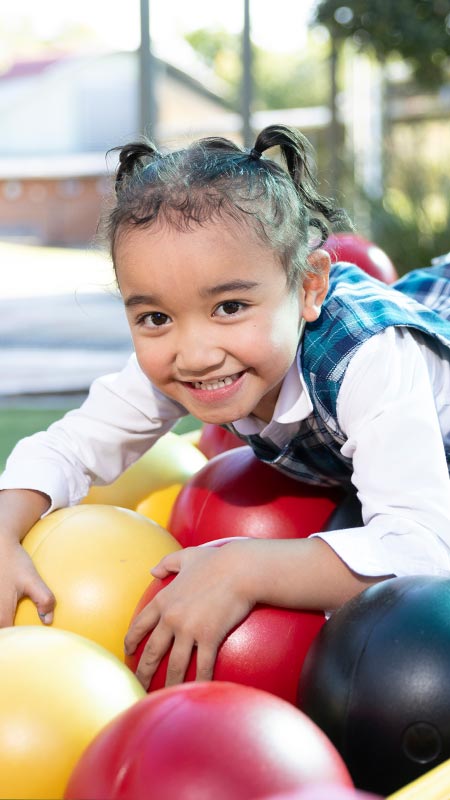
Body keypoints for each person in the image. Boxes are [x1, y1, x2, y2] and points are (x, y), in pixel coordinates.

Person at [1, 125, 450, 691]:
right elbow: (69, 445)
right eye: (155, 318)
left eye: (230, 306)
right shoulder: (184, 361)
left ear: (309, 289)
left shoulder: (366, 359)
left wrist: (245, 565)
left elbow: (424, 548)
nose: (194, 353)